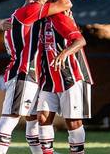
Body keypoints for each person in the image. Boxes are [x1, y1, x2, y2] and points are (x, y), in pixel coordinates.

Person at [0, 0, 72, 154]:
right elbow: (66, 3)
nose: (35, 1)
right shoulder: (30, 10)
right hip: (24, 73)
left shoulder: (25, 15)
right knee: (10, 118)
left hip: (33, 75)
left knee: (33, 119)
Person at [36, 10, 94, 154]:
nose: (33, 1)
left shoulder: (60, 16)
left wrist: (63, 54)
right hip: (48, 78)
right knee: (42, 118)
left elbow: (81, 40)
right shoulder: (38, 20)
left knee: (72, 122)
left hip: (70, 77)